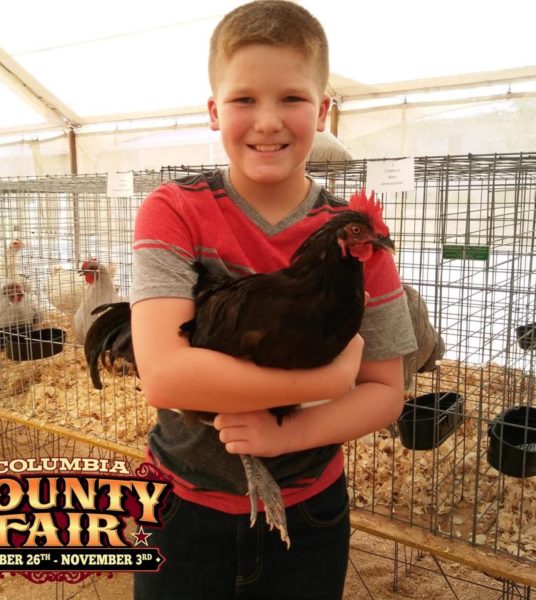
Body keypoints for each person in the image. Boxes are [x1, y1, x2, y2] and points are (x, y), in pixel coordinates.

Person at [131, 1, 416, 598]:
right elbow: (166, 380)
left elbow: (387, 391)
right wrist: (331, 378)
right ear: (214, 111)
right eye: (244, 100)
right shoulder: (174, 209)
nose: (267, 121)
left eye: (291, 98)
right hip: (181, 510)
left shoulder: (354, 240)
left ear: (323, 110)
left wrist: (282, 434)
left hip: (310, 510)